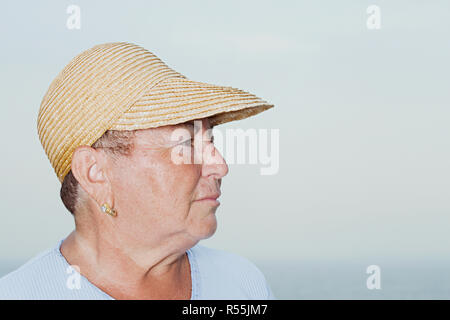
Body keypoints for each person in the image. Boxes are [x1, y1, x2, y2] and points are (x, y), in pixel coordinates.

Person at [0, 42, 275, 299]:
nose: (220, 166)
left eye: (210, 141)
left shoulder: (243, 284)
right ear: (94, 172)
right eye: (186, 143)